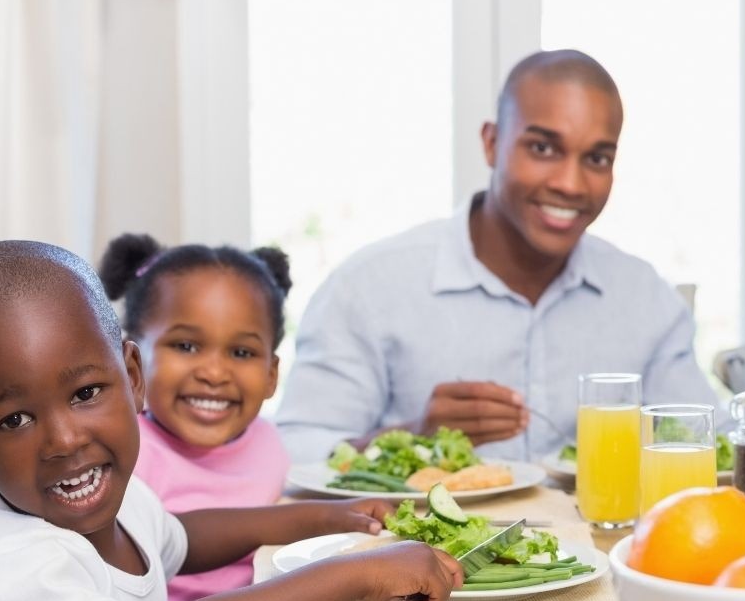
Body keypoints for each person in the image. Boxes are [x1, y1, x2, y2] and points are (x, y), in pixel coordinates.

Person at [0, 240, 461, 601]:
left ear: (132, 378)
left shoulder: (119, 501)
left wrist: (323, 517)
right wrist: (353, 574)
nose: (64, 440)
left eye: (84, 394)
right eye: (15, 420)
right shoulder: (4, 569)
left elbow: (184, 538)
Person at [275, 49, 720, 464]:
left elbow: (707, 440)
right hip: (422, 548)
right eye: (543, 148)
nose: (571, 183)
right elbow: (296, 452)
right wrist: (416, 436)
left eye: (597, 158)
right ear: (491, 143)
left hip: (604, 547)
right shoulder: (371, 286)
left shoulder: (644, 297)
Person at [97, 233, 292, 601]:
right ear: (130, 363)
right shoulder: (119, 456)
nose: (214, 373)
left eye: (241, 352)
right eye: (185, 346)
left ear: (271, 375)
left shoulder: (269, 443)